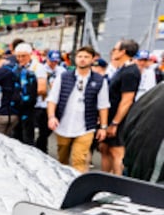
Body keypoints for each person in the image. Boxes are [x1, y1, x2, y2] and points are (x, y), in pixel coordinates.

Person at [46, 46, 109, 173]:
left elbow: (103, 105)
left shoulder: (99, 80)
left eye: (86, 57)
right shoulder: (63, 77)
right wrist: (51, 117)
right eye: (80, 56)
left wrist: (103, 127)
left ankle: (77, 186)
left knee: (79, 159)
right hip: (63, 124)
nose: (83, 60)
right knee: (62, 159)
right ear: (75, 59)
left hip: (86, 126)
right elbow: (52, 99)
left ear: (92, 59)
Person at [99, 39, 142, 175]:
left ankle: (119, 185)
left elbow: (127, 100)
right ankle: (104, 182)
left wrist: (115, 123)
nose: (113, 51)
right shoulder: (122, 69)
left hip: (119, 119)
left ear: (123, 52)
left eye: (115, 49)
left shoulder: (131, 72)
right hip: (110, 116)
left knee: (117, 152)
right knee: (104, 148)